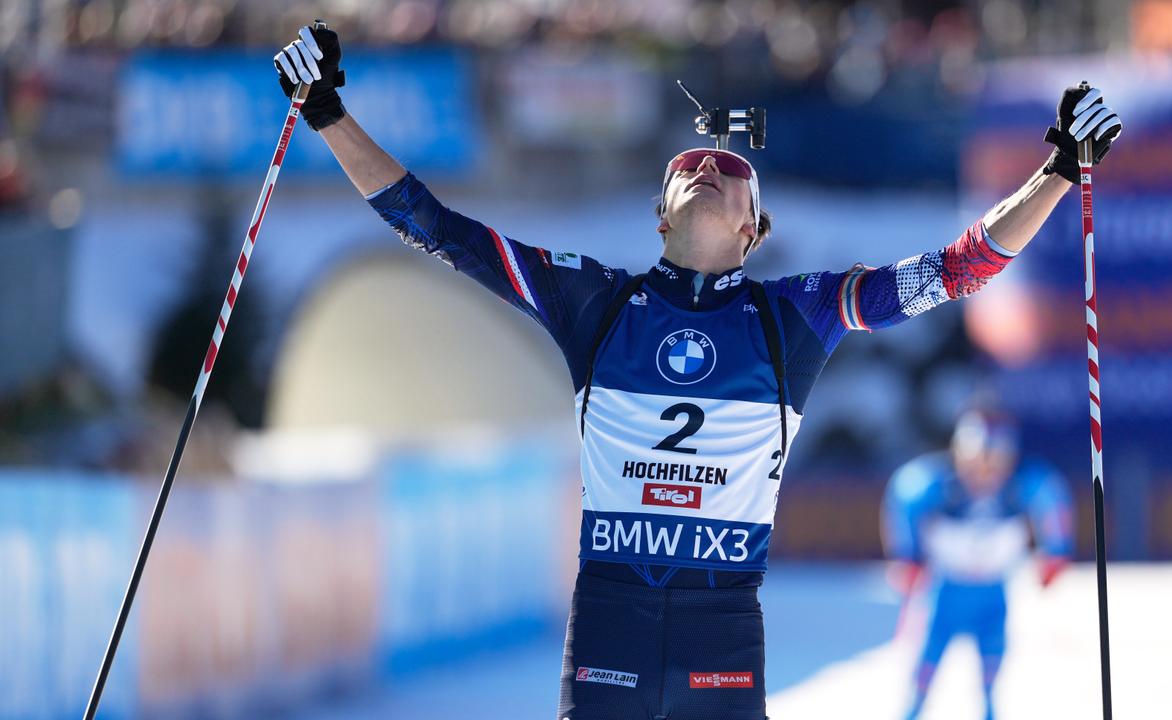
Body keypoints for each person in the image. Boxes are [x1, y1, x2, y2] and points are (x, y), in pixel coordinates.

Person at [273, 23, 1120, 720]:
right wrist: (326, 113)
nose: (712, 167)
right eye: (691, 168)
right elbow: (434, 227)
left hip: (722, 622)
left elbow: (957, 269)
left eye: (735, 177)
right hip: (612, 614)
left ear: (753, 234)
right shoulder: (593, 301)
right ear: (659, 215)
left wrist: (1057, 171)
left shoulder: (792, 315)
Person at [882, 408, 1074, 720]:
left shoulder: (1021, 485)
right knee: (923, 673)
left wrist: (1056, 551)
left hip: (993, 593)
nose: (985, 472)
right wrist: (908, 555)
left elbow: (1052, 499)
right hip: (945, 594)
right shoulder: (937, 485)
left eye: (996, 462)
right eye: (977, 460)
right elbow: (903, 495)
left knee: (990, 673)